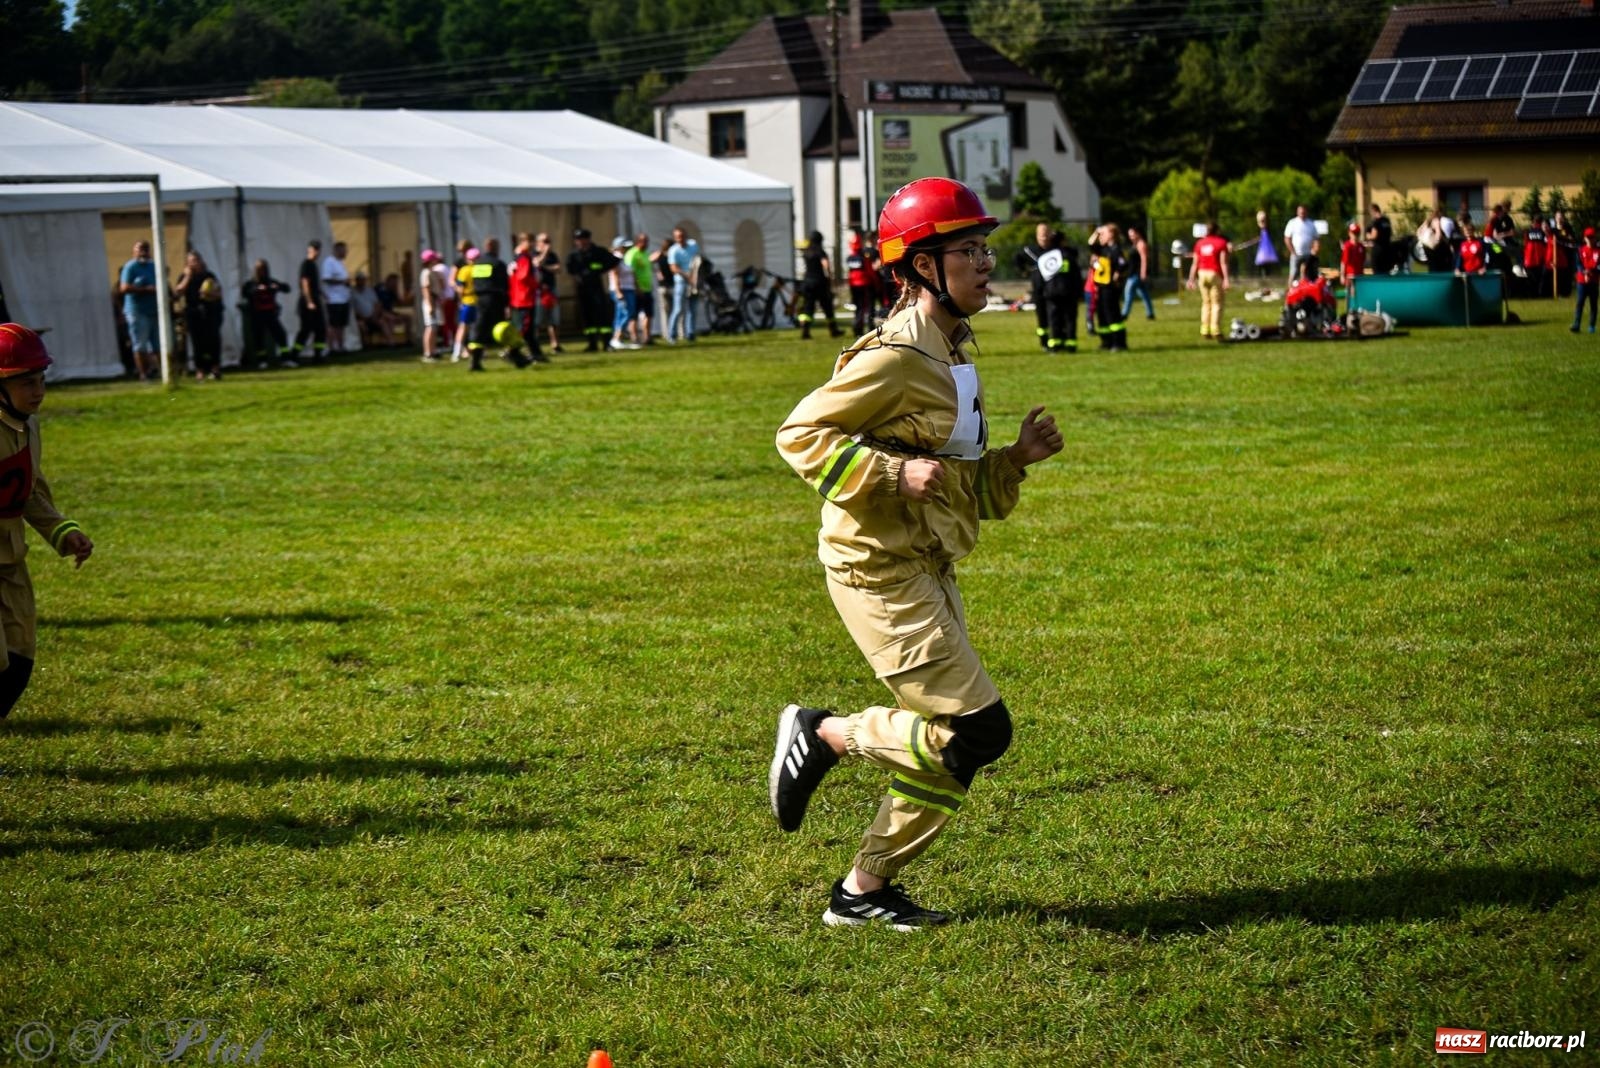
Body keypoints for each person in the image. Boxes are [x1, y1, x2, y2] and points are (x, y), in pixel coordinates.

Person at [770, 177, 1064, 931]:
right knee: (978, 730)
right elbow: (799, 434)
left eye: (983, 247)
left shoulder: (952, 346)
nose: (983, 262)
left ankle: (862, 894)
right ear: (920, 266)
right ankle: (825, 733)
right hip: (877, 567)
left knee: (949, 747)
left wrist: (1014, 460)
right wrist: (894, 473)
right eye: (966, 250)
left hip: (927, 563)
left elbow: (956, 478)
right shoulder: (898, 354)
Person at [0, 324, 94, 719]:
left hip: (9, 560)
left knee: (19, 658)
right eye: (26, 382)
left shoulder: (28, 425)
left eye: (41, 380)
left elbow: (29, 488)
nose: (38, 391)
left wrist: (62, 530)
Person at [466, 236, 525, 372]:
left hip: (480, 300)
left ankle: (475, 362)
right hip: (495, 300)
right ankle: (516, 356)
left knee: (479, 331)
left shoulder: (478, 264)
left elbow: (476, 283)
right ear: (496, 248)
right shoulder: (498, 264)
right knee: (505, 329)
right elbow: (504, 286)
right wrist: (507, 305)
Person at [174, 251, 224, 381]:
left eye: (196, 260)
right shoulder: (184, 276)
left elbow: (219, 294)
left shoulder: (209, 276)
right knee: (198, 343)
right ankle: (200, 370)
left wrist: (208, 295)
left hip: (210, 311)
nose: (194, 263)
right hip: (193, 312)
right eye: (191, 261)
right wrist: (188, 277)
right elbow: (178, 293)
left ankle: (215, 368)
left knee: (213, 341)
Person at [568, 229, 618, 352]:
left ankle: (607, 342)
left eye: (583, 239)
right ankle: (592, 343)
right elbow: (570, 269)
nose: (581, 242)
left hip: (596, 288)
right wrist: (580, 274)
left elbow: (614, 261)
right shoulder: (574, 255)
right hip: (583, 289)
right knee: (587, 317)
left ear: (588, 239)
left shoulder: (598, 251)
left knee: (602, 315)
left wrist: (599, 269)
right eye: (578, 240)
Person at [118, 240, 160, 382]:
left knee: (157, 344)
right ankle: (144, 374)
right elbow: (123, 288)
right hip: (137, 312)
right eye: (140, 249)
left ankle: (159, 372)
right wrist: (144, 290)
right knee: (140, 344)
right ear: (133, 251)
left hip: (154, 310)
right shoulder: (130, 267)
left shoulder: (154, 266)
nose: (143, 252)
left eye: (146, 249)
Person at [240, 260, 291, 369]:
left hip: (271, 314)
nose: (262, 272)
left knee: (281, 335)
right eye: (260, 270)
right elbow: (245, 293)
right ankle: (262, 361)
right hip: (257, 315)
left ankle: (286, 358)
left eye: (264, 269)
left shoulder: (270, 282)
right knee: (259, 339)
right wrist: (256, 290)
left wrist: (278, 287)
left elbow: (287, 288)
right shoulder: (251, 283)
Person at [1186, 222, 1231, 340]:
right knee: (1217, 302)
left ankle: (1204, 328)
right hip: (1214, 273)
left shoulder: (1200, 243)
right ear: (1217, 230)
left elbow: (1195, 263)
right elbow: (1223, 263)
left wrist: (1191, 279)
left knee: (1206, 302)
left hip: (1202, 273)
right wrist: (1226, 278)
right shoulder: (1221, 243)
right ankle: (1215, 328)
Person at [507, 232, 546, 365]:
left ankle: (537, 353)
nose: (534, 245)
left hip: (518, 297)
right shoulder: (524, 257)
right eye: (531, 242)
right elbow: (523, 276)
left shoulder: (516, 257)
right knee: (525, 327)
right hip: (525, 297)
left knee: (528, 329)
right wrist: (536, 283)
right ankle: (512, 351)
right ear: (524, 242)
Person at [1088, 223, 1129, 350]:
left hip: (1110, 287)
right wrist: (1096, 232)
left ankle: (1119, 342)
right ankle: (1106, 342)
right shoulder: (1103, 249)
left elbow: (1123, 264)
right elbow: (1090, 244)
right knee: (1102, 315)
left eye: (1104, 233)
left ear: (1111, 235)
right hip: (1100, 287)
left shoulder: (1116, 250)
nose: (1101, 236)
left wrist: (1118, 274)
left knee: (1112, 314)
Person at [1041, 229, 1081, 353]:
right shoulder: (1069, 256)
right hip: (1068, 293)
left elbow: (1041, 277)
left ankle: (1054, 345)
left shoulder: (1047, 257)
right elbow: (1076, 276)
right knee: (1070, 319)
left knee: (1054, 319)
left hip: (1052, 293)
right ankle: (1071, 344)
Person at [1014, 223, 1053, 350]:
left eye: (1046, 234)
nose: (1044, 237)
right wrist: (1024, 271)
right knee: (1042, 316)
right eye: (1041, 235)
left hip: (1054, 289)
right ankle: (1044, 342)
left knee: (1054, 315)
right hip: (1039, 289)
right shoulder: (1030, 251)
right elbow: (1017, 258)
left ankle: (1056, 341)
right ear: (1037, 236)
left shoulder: (1055, 250)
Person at [797, 231, 843, 340]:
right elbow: (826, 264)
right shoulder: (820, 251)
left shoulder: (806, 252)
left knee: (808, 307)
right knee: (827, 306)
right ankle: (833, 330)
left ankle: (805, 330)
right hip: (820, 282)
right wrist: (831, 277)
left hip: (807, 282)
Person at [292, 239, 327, 364]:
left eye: (318, 250)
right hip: (307, 302)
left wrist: (322, 294)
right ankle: (293, 355)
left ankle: (318, 356)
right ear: (309, 250)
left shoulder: (313, 265)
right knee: (306, 329)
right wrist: (309, 301)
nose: (317, 252)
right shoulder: (306, 264)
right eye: (314, 249)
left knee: (320, 329)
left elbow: (314, 285)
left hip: (315, 300)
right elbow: (305, 283)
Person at [665, 228, 699, 344]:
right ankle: (672, 335)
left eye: (682, 236)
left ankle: (691, 334)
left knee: (692, 309)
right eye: (678, 236)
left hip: (694, 281)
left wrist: (695, 276)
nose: (681, 238)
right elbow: (674, 268)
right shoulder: (673, 250)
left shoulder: (693, 245)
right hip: (681, 281)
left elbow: (697, 260)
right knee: (678, 309)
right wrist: (687, 276)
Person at [845, 231, 880, 336]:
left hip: (854, 286)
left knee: (859, 307)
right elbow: (870, 271)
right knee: (869, 307)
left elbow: (850, 273)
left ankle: (857, 328)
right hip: (865, 285)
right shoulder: (864, 257)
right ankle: (870, 327)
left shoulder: (850, 258)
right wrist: (876, 283)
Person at [320, 241, 352, 355]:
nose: (346, 252)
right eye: (344, 250)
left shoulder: (341, 263)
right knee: (333, 324)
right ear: (337, 250)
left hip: (343, 298)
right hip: (334, 299)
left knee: (342, 324)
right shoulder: (329, 262)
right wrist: (343, 282)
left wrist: (346, 283)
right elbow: (326, 279)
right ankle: (331, 347)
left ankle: (341, 346)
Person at [608, 236, 640, 351]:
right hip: (622, 290)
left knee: (623, 314)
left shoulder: (624, 258)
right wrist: (618, 291)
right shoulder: (616, 258)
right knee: (626, 313)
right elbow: (615, 275)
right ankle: (616, 338)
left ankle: (618, 338)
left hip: (628, 288)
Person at [534, 233, 563, 355]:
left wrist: (546, 267)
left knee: (553, 318)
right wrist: (545, 254)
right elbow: (537, 264)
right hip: (538, 291)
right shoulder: (533, 254)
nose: (547, 244)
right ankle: (535, 344)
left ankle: (555, 344)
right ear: (538, 243)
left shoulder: (553, 255)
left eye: (548, 241)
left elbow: (558, 269)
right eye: (544, 241)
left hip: (551, 290)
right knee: (537, 319)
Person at [350, 272, 394, 348]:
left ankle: (390, 343)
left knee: (383, 322)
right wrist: (361, 317)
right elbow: (352, 308)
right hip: (360, 318)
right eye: (360, 280)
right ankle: (366, 345)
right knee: (361, 325)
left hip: (373, 316)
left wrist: (374, 315)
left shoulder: (370, 290)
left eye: (363, 280)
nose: (362, 281)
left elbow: (377, 304)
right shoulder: (352, 292)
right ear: (356, 280)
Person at [626, 233, 655, 344]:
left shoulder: (646, 254)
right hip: (636, 290)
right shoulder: (632, 254)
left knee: (649, 314)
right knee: (633, 315)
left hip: (647, 289)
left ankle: (647, 337)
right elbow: (630, 272)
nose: (646, 244)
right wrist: (637, 287)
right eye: (644, 241)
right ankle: (634, 338)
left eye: (647, 241)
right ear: (638, 241)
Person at [1121, 225, 1155, 320]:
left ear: (1138, 234)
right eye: (1129, 235)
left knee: (1128, 293)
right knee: (1144, 294)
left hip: (1136, 274)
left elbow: (1144, 259)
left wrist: (1143, 273)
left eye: (1132, 234)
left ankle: (1124, 314)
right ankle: (1150, 313)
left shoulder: (1141, 244)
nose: (1130, 237)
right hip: (1133, 273)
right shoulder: (1135, 244)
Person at [418, 249, 446, 362]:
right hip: (430, 302)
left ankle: (433, 350)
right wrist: (430, 305)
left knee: (434, 328)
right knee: (430, 327)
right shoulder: (426, 273)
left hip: (435, 301)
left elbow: (441, 286)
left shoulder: (433, 272)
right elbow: (426, 290)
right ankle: (428, 352)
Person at [453, 243, 478, 362]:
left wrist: (460, 300)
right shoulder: (480, 269)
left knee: (463, 327)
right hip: (478, 302)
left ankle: (456, 352)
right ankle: (474, 351)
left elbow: (460, 288)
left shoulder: (464, 270)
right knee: (475, 329)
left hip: (467, 301)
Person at [1282, 205, 1318, 286]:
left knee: (1306, 274)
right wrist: (1293, 251)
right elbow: (1287, 238)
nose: (1302, 213)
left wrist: (1314, 250)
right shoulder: (1292, 223)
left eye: (1303, 212)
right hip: (1296, 254)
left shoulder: (1311, 224)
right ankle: (1290, 292)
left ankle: (1305, 293)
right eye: (1300, 212)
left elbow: (1316, 239)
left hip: (1308, 255)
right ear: (1297, 212)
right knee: (1293, 273)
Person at [1573, 227, 1599, 334]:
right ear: (1584, 238)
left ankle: (1592, 326)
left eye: (1592, 237)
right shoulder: (1580, 250)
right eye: (1588, 237)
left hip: (1594, 281)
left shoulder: (1598, 251)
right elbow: (1578, 264)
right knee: (1580, 303)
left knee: (1593, 304)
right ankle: (1576, 324)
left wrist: (1591, 271)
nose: (1590, 239)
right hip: (1582, 281)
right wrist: (1584, 272)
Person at [1339, 222, 1367, 305]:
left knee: (1360, 295)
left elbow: (1363, 261)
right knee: (1351, 294)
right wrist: (1342, 275)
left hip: (1359, 275)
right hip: (1350, 276)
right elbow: (1343, 262)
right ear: (1349, 233)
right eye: (1353, 233)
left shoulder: (1361, 247)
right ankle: (1350, 311)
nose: (1355, 236)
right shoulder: (1348, 246)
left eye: (1357, 233)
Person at [1365, 203, 1395, 276]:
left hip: (1378, 250)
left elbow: (1374, 236)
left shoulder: (1376, 221)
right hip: (1387, 250)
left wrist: (1368, 235)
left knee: (1377, 272)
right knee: (1386, 272)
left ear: (1373, 211)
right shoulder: (1386, 220)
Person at [1251, 210, 1279, 283]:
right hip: (1260, 253)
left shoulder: (1268, 229)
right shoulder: (1257, 229)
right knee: (1260, 268)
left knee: (1268, 268)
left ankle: (1267, 279)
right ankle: (1261, 280)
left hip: (1268, 253)